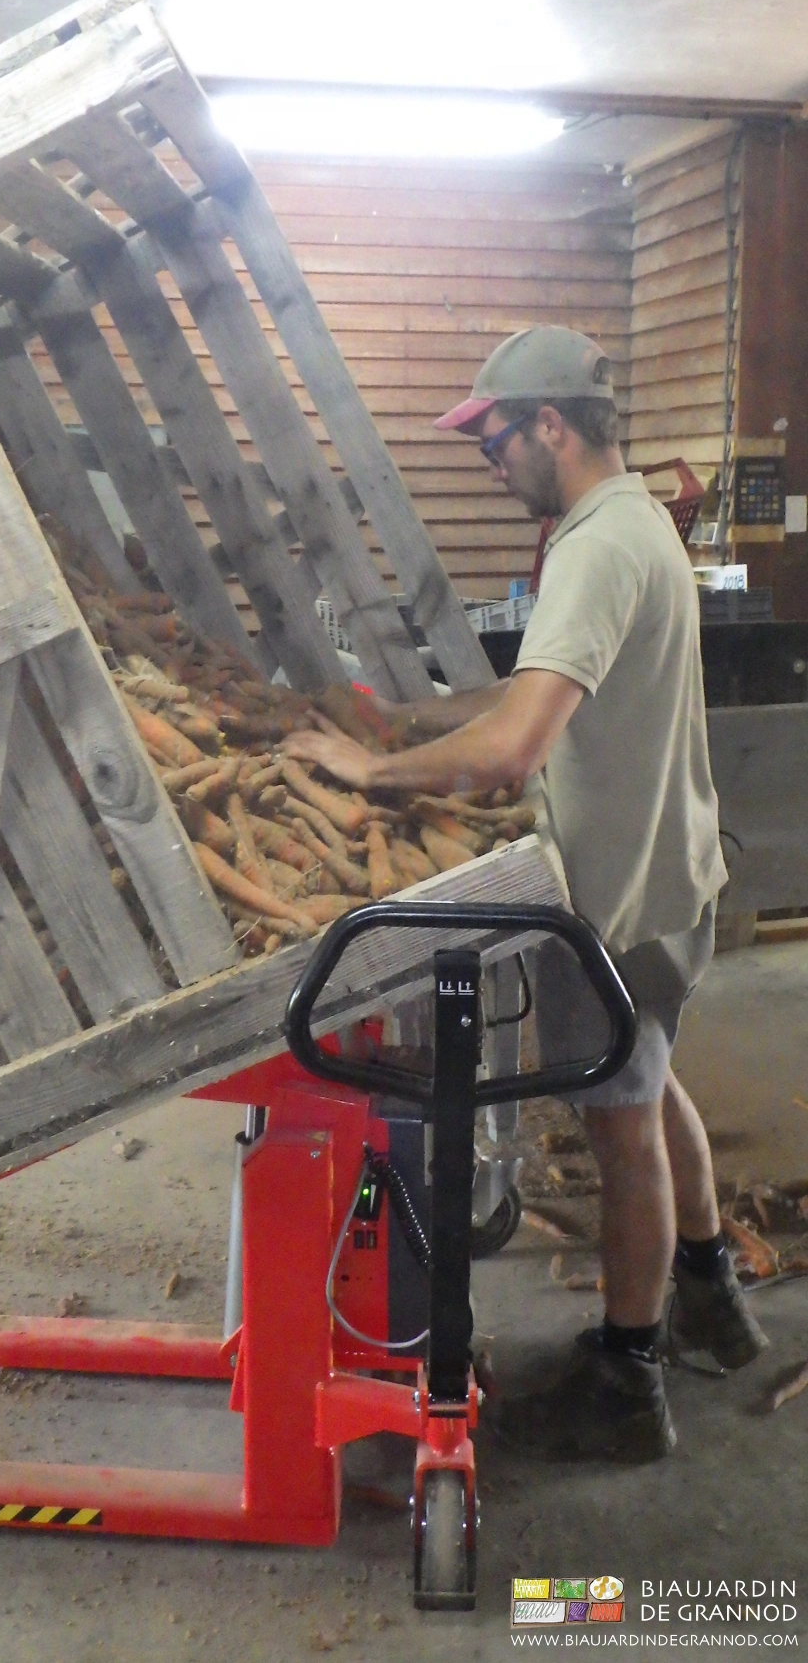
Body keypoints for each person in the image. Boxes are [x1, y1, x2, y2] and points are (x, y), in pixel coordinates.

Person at [283, 325, 767, 1464]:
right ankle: (711, 1295)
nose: (490, 460)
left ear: (550, 424)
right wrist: (406, 722)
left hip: (619, 887)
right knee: (650, 1081)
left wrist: (369, 771)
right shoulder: (628, 519)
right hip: (664, 870)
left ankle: (628, 1375)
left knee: (624, 1122)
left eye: (495, 437)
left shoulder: (598, 547)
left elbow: (514, 747)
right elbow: (527, 699)